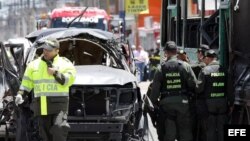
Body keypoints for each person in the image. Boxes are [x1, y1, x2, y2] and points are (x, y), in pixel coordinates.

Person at [15, 38, 76, 141]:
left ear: (57, 50)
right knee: (45, 136)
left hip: (59, 106)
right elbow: (26, 83)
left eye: (49, 50)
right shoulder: (33, 65)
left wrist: (56, 73)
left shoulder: (65, 64)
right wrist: (21, 94)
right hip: (41, 106)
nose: (45, 52)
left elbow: (68, 81)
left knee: (59, 128)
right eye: (44, 49)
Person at [150, 41, 197, 141]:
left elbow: (155, 91)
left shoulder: (161, 68)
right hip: (183, 103)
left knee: (169, 131)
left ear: (166, 52)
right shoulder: (185, 66)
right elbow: (193, 84)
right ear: (176, 51)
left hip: (166, 105)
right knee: (185, 131)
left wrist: (154, 103)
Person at [196, 49, 234, 141]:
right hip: (223, 103)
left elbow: (199, 89)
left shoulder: (205, 71)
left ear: (208, 58)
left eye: (205, 58)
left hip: (209, 104)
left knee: (210, 129)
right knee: (222, 129)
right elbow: (230, 89)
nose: (204, 60)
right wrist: (231, 104)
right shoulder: (224, 70)